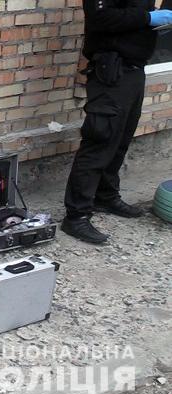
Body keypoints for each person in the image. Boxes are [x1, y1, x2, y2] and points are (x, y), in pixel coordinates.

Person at [61, 1, 172, 243]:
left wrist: (156, 19)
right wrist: (148, 18)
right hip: (110, 70)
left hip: (134, 70)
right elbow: (100, 17)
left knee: (120, 139)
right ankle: (76, 216)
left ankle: (105, 196)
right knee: (100, 140)